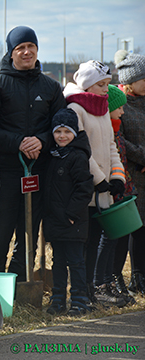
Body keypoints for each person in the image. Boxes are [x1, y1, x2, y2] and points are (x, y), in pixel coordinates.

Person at [0, 26, 66, 281]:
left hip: (38, 172)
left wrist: (41, 140)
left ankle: (20, 286)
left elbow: (61, 126)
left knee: (28, 234)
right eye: (20, 48)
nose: (27, 52)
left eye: (31, 46)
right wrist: (18, 142)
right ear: (11, 52)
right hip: (4, 172)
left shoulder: (51, 87)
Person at [63, 60, 126, 307]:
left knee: (98, 237)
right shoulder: (77, 109)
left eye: (107, 84)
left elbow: (111, 146)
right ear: (87, 85)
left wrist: (117, 177)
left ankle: (91, 287)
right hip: (84, 188)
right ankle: (80, 290)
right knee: (85, 242)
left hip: (103, 190)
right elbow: (81, 149)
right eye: (100, 84)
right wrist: (99, 180)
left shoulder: (102, 109)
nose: (104, 89)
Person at [43, 108, 94, 316]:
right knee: (58, 261)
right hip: (55, 220)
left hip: (73, 221)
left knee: (75, 261)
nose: (62, 136)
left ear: (74, 132)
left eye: (66, 132)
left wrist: (72, 214)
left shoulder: (77, 157)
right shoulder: (53, 156)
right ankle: (57, 299)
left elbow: (84, 188)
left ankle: (79, 299)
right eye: (58, 132)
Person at [116, 50, 145, 297]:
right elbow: (120, 140)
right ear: (130, 81)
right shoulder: (121, 105)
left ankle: (141, 275)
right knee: (133, 227)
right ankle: (133, 276)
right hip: (132, 174)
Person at [107, 84, 136, 305]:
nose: (123, 112)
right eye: (119, 108)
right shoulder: (108, 129)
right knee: (111, 239)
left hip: (124, 187)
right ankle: (109, 279)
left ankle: (116, 279)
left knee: (123, 235)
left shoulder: (116, 127)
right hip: (111, 191)